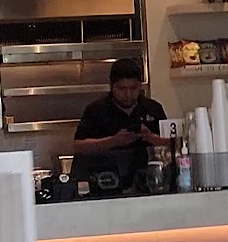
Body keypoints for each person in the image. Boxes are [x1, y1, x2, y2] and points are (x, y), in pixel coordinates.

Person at [71, 57, 169, 194]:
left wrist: (151, 137)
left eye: (133, 88)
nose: (128, 94)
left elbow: (172, 145)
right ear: (111, 86)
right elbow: (78, 146)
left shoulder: (153, 108)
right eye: (122, 89)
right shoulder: (96, 110)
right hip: (104, 183)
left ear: (140, 86)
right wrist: (113, 141)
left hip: (148, 183)